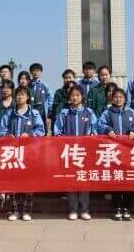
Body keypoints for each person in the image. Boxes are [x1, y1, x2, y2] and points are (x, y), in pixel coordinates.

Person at [0, 87, 45, 221]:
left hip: (30, 153)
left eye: (22, 95)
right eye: (17, 95)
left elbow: (41, 131)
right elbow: (2, 130)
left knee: (29, 182)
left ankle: (27, 211)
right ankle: (15, 210)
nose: (19, 97)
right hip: (13, 153)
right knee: (14, 181)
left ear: (28, 97)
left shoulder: (34, 114)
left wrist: (30, 135)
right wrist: (7, 136)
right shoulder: (9, 114)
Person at [97, 89, 134, 221]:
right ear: (112, 99)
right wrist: (108, 130)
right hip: (114, 151)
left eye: (121, 97)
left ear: (125, 99)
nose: (118, 99)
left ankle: (127, 208)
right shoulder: (107, 112)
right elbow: (100, 124)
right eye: (116, 97)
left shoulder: (131, 112)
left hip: (128, 151)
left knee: (129, 178)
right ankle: (117, 207)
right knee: (116, 178)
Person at [54, 86, 98, 220]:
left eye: (78, 95)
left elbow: (95, 129)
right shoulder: (64, 113)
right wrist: (62, 139)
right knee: (71, 180)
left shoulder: (89, 112)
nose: (75, 98)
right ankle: (73, 209)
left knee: (84, 180)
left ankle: (84, 209)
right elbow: (57, 131)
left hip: (85, 152)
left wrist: (92, 135)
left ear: (82, 97)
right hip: (69, 152)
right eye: (73, 95)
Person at [29, 63, 53, 130]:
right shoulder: (28, 85)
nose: (36, 73)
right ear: (31, 72)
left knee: (43, 129)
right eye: (34, 71)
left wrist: (49, 113)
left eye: (38, 71)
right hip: (31, 111)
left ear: (41, 72)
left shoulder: (45, 86)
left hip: (42, 111)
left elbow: (50, 99)